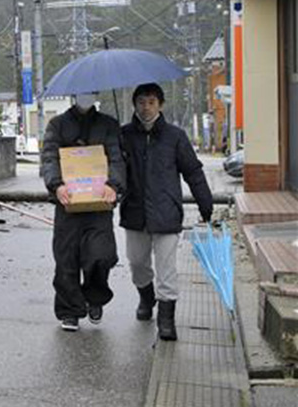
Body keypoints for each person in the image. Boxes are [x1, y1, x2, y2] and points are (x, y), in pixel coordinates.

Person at [120, 83, 214, 341]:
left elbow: (192, 171)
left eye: (151, 102)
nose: (146, 107)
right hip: (135, 212)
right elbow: (113, 171)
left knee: (167, 269)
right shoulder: (124, 135)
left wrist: (205, 203)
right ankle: (146, 297)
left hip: (167, 212)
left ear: (160, 105)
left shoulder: (175, 136)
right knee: (137, 263)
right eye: (141, 102)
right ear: (134, 105)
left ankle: (166, 320)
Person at [40, 92, 125, 332]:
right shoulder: (57, 125)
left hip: (99, 204)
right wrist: (56, 184)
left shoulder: (108, 124)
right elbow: (49, 157)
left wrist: (113, 185)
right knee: (66, 259)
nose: (86, 97)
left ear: (97, 95)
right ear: (74, 95)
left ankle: (94, 297)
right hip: (67, 203)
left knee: (101, 255)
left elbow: (117, 159)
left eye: (91, 92)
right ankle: (70, 310)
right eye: (82, 93)